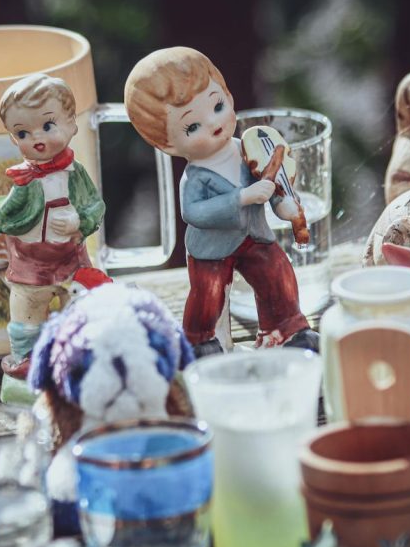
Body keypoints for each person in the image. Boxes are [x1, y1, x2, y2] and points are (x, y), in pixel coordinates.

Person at [124, 47, 317, 356]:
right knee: (209, 295)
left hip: (254, 237)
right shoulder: (195, 177)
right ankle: (204, 342)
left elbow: (275, 185)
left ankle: (284, 329)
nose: (213, 123)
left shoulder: (250, 149)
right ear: (166, 143)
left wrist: (285, 208)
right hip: (210, 249)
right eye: (192, 126)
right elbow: (193, 212)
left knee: (277, 275)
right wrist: (241, 197)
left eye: (217, 106)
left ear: (228, 96)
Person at [0, 73, 106, 378]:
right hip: (31, 261)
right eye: (23, 133)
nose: (37, 138)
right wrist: (0, 215)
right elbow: (7, 212)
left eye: (47, 125)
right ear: (13, 138)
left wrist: (80, 220)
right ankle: (26, 357)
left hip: (71, 258)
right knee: (27, 310)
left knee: (81, 306)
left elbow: (96, 206)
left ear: (71, 124)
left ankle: (80, 352)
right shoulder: (23, 180)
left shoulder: (75, 174)